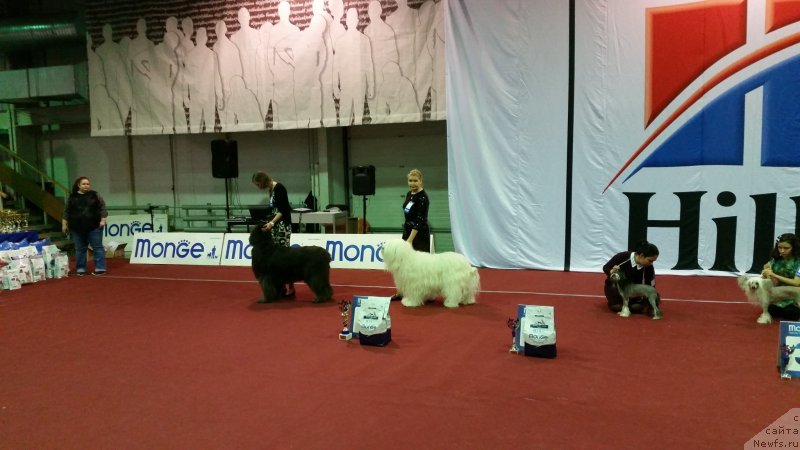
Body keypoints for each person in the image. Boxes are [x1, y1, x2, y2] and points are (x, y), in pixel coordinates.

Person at [252, 170, 294, 297]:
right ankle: (281, 288)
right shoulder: (271, 190)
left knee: (284, 259)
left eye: (258, 184)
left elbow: (283, 210)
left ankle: (291, 288)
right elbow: (274, 210)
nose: (258, 187)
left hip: (282, 227)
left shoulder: (279, 188)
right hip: (275, 227)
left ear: (263, 180)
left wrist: (271, 223)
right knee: (276, 261)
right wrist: (269, 222)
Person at [391, 168, 430, 301]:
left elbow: (419, 221)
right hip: (407, 232)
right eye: (410, 180)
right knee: (403, 265)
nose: (412, 183)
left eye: (415, 181)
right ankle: (401, 291)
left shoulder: (423, 198)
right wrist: (406, 237)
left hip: (418, 235)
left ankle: (424, 294)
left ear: (421, 181)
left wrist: (409, 240)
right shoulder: (409, 194)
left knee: (420, 267)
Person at [62, 176, 108, 276]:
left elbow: (103, 208)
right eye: (84, 184)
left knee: (97, 247)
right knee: (80, 249)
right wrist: (64, 224)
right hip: (76, 228)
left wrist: (103, 220)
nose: (86, 185)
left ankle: (100, 268)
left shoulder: (95, 195)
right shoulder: (72, 197)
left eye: (88, 184)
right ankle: (81, 269)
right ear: (78, 185)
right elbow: (66, 211)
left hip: (95, 227)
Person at [602, 240, 659, 314]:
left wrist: (652, 298)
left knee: (637, 307)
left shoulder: (649, 267)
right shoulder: (622, 256)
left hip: (634, 291)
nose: (651, 263)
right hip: (615, 288)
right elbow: (606, 267)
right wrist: (612, 271)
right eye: (650, 260)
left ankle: (629, 306)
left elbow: (650, 285)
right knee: (616, 307)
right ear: (641, 255)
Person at [762, 233, 800, 321]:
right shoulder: (775, 260)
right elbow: (768, 280)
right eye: (780, 247)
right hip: (778, 296)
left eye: (786, 248)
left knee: (791, 313)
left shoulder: (798, 262)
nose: (782, 251)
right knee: (772, 311)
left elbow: (797, 283)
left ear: (794, 248)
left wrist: (774, 275)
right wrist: (765, 274)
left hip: (795, 296)